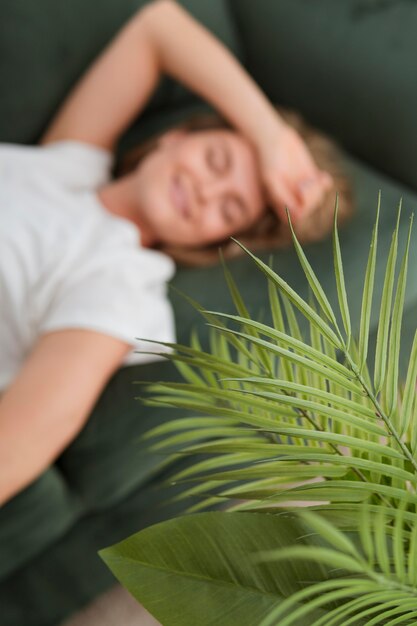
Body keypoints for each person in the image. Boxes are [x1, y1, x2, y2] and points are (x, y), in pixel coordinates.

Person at [0, 0, 334, 506]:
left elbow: (22, 442)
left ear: (211, 243)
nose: (206, 192)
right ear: (172, 139)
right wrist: (271, 137)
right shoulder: (70, 161)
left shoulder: (124, 285)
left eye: (229, 208)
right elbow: (159, 27)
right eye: (215, 160)